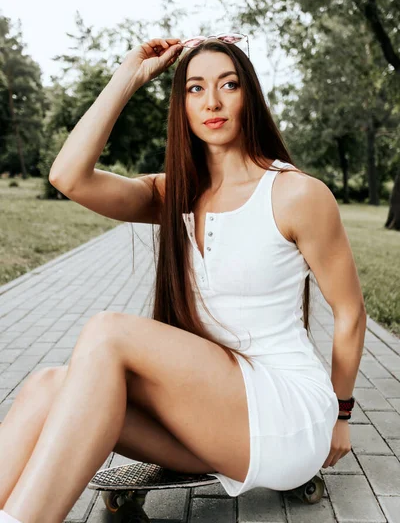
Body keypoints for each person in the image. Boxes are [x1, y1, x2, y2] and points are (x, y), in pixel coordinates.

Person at [0, 35, 366, 523]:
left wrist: (340, 417)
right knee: (48, 385)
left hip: (285, 412)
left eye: (228, 85)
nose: (212, 101)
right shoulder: (174, 194)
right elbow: (68, 176)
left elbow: (350, 312)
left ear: (249, 96)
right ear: (182, 106)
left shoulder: (295, 193)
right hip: (214, 416)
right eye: (195, 88)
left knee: (109, 333)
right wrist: (128, 77)